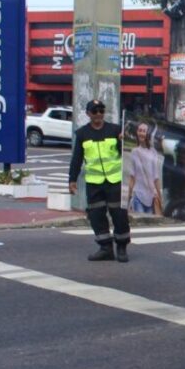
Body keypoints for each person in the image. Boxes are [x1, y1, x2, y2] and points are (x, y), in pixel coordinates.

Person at [68, 99, 132, 262]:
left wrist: (122, 141)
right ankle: (105, 248)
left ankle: (122, 247)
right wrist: (72, 180)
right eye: (95, 111)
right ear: (88, 114)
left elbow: (125, 154)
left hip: (114, 180)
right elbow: (77, 158)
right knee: (96, 216)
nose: (98, 114)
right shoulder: (82, 133)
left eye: (101, 111)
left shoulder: (115, 130)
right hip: (94, 182)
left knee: (119, 215)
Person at [127, 121, 163, 214]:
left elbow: (156, 177)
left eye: (144, 131)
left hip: (150, 198)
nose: (141, 133)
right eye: (139, 130)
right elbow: (132, 177)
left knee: (149, 225)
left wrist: (160, 197)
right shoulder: (134, 152)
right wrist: (129, 197)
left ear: (148, 134)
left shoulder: (153, 152)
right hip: (138, 197)